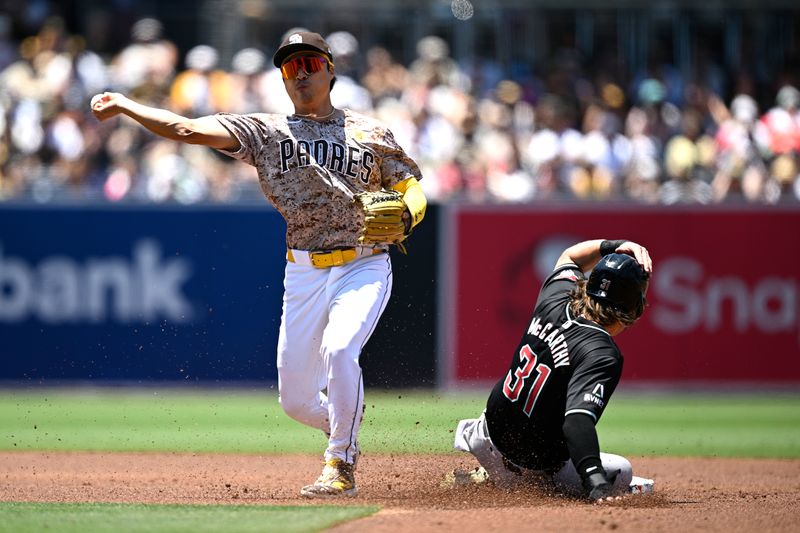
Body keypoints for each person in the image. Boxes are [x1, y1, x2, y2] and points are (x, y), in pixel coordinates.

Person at [90, 30, 427, 498]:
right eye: (291, 67)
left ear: (331, 69)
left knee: (340, 348)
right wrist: (128, 105)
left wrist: (411, 210)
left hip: (363, 262)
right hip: (304, 269)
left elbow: (410, 185)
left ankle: (340, 463)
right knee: (294, 401)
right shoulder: (265, 132)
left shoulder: (370, 131)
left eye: (310, 63)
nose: (301, 74)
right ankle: (346, 419)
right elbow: (185, 129)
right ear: (283, 78)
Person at [453, 239, 654, 502]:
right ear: (632, 308)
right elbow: (577, 421)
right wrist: (595, 480)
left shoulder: (557, 297)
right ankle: (502, 481)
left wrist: (613, 245)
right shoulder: (601, 352)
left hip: (486, 432)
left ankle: (487, 472)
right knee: (624, 474)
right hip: (529, 469)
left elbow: (570, 255)